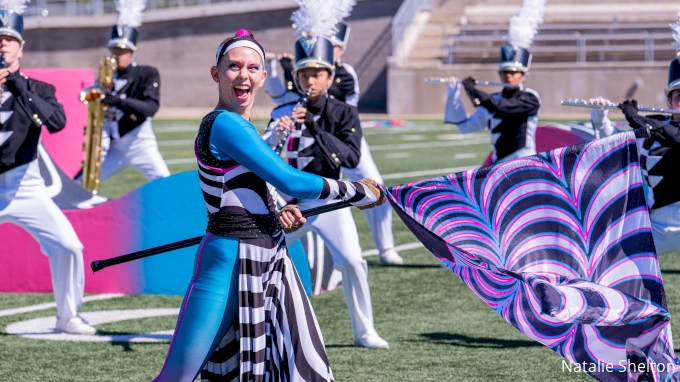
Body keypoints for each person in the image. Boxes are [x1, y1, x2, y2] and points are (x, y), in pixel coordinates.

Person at [153, 30, 385, 382]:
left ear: (264, 76)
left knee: (297, 368)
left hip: (268, 256)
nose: (243, 75)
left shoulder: (240, 124)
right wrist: (354, 190)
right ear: (216, 73)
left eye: (252, 67)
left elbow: (243, 190)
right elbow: (290, 181)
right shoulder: (224, 123)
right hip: (230, 261)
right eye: (233, 66)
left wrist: (272, 214)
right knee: (177, 377)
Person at [263, 32, 390, 349]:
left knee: (351, 261)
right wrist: (276, 135)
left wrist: (315, 126)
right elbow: (262, 157)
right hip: (291, 205)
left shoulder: (344, 113)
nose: (310, 80)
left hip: (331, 202)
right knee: (260, 257)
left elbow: (349, 158)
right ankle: (240, 326)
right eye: (304, 74)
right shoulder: (282, 112)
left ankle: (364, 331)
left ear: (329, 76)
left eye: (317, 73)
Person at [264, 21, 403, 265]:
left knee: (375, 188)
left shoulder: (345, 74)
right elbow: (280, 96)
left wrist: (313, 74)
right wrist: (278, 70)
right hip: (305, 158)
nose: (310, 80)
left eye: (334, 46)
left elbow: (341, 110)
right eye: (303, 75)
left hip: (342, 137)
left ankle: (386, 246)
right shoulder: (301, 81)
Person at [0, 4, 96, 335]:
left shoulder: (36, 88)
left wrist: (18, 87)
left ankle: (67, 316)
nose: (2, 44)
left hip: (26, 187)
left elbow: (57, 122)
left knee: (69, 246)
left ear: (21, 47)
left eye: (9, 38)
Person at [588, 59, 680, 255]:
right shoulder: (652, 130)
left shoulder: (653, 127)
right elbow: (613, 142)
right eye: (679, 96)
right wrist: (600, 116)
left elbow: (675, 137)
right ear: (668, 101)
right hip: (654, 225)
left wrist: (638, 119)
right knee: (609, 259)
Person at [95, 1, 170, 182]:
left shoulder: (146, 73)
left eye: (123, 50)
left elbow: (150, 108)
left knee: (165, 182)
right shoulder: (105, 76)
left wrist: (116, 100)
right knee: (82, 184)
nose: (117, 54)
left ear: (132, 52)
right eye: (114, 49)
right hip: (114, 147)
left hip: (141, 145)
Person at [444, 44, 541, 164]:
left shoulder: (531, 97)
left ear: (524, 76)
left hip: (525, 162)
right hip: (498, 166)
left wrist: (473, 90)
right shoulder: (492, 100)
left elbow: (503, 107)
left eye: (513, 72)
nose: (508, 75)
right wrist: (453, 94)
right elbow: (465, 126)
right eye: (504, 72)